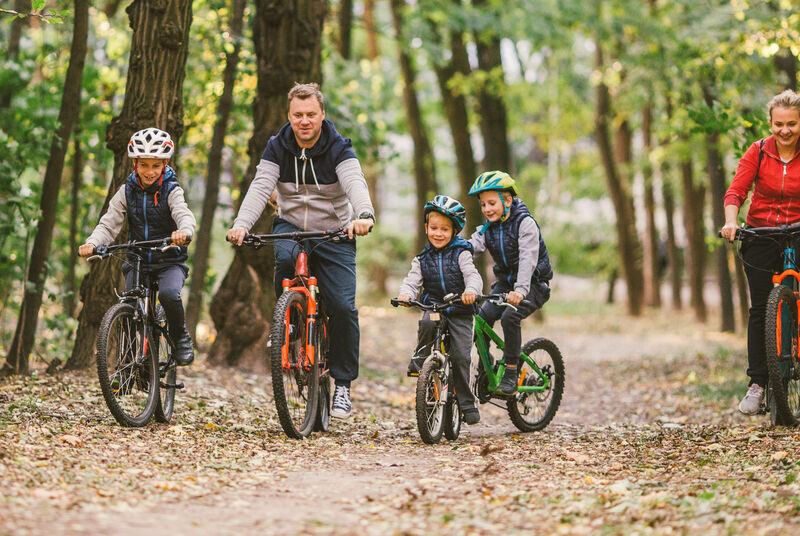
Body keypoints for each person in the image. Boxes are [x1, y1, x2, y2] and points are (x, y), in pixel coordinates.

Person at [227, 83, 375, 420]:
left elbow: (355, 183)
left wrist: (364, 215)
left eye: (311, 114)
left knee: (341, 305)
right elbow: (260, 186)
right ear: (289, 116)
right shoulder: (277, 147)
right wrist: (242, 224)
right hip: (291, 225)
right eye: (298, 115)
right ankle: (287, 324)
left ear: (322, 114)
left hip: (335, 231)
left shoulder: (338, 147)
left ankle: (342, 385)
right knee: (284, 259)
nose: (304, 121)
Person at [79, 128, 197, 365]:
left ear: (164, 163)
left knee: (168, 294)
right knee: (129, 306)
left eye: (156, 165)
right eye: (144, 165)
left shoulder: (171, 190)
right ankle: (127, 363)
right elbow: (109, 222)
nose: (150, 172)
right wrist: (93, 242)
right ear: (135, 164)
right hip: (138, 259)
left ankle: (180, 336)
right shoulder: (127, 191)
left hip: (169, 259)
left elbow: (184, 214)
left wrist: (184, 231)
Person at [721, 89, 800, 415]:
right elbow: (736, 190)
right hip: (761, 233)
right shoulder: (759, 151)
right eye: (779, 124)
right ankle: (758, 384)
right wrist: (731, 222)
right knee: (760, 309)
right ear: (770, 123)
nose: (785, 130)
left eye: (792, 124)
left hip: (798, 230)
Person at [396, 195, 483, 425]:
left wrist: (471, 290)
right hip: (436, 306)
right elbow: (412, 281)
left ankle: (466, 402)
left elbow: (473, 275)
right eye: (434, 228)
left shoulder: (462, 253)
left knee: (461, 356)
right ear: (426, 228)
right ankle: (422, 358)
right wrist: (406, 295)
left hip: (461, 310)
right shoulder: (422, 258)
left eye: (445, 229)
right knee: (427, 322)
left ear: (454, 231)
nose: (438, 233)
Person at [467, 170, 553, 395]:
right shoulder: (488, 227)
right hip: (505, 285)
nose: (487, 209)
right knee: (481, 318)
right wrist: (450, 257)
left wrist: (521, 290)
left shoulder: (525, 224)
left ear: (508, 200)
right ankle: (486, 370)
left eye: (492, 203)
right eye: (483, 205)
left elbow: (528, 260)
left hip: (533, 284)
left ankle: (512, 372)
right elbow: (470, 247)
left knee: (509, 316)